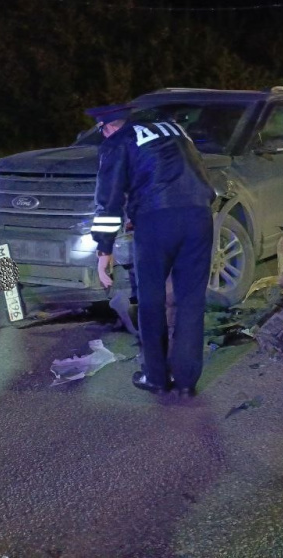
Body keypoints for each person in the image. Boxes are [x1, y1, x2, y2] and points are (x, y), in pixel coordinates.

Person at [86, 104, 216, 397]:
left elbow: (109, 200)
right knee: (191, 302)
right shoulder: (176, 131)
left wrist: (103, 251)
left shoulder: (118, 141)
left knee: (151, 301)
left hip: (157, 221)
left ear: (107, 127)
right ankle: (185, 381)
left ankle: (155, 377)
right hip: (199, 216)